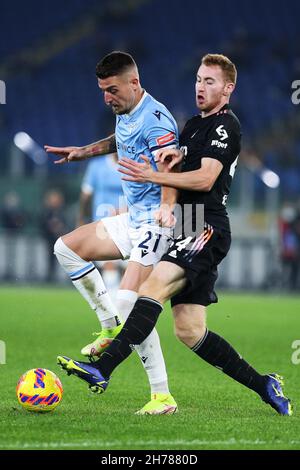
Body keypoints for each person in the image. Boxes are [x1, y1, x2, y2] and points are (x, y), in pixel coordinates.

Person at [57, 54, 292, 416]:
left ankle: (103, 369)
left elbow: (204, 179)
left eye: (210, 81)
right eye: (198, 79)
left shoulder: (225, 126)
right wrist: (86, 152)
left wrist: (154, 177)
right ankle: (264, 385)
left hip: (205, 225)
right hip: (187, 224)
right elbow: (133, 144)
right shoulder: (194, 126)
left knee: (147, 291)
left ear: (228, 88)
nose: (200, 86)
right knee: (190, 330)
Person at [45, 51, 179, 415]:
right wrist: (82, 152)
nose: (107, 98)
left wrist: (167, 205)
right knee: (66, 248)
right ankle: (108, 329)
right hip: (132, 219)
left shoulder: (156, 120)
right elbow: (119, 139)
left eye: (112, 89)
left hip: (158, 222)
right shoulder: (127, 112)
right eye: (103, 90)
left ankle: (162, 396)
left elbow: (171, 165)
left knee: (129, 302)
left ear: (134, 83)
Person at [77, 153, 126, 297]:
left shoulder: (133, 164)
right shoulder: (97, 165)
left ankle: (124, 305)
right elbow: (86, 194)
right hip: (102, 222)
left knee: (128, 267)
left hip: (127, 221)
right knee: (108, 263)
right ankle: (114, 306)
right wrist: (81, 219)